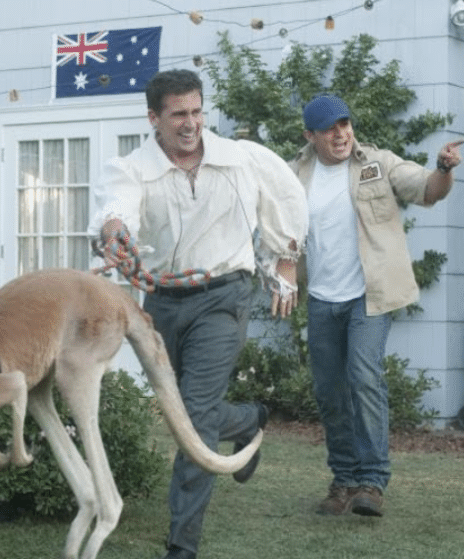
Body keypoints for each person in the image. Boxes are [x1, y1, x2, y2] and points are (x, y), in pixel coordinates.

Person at [90, 69, 308, 559]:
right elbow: (116, 207)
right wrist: (114, 230)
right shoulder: (133, 168)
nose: (191, 124)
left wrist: (285, 263)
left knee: (192, 414)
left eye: (196, 111)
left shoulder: (240, 159)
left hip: (225, 295)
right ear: (154, 118)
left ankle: (181, 545)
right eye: (178, 114)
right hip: (162, 302)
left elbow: (285, 200)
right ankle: (248, 421)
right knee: (183, 412)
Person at [290, 95, 463, 517]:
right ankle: (343, 480)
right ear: (310, 135)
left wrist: (442, 168)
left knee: (363, 377)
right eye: (330, 128)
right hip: (321, 299)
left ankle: (372, 481)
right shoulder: (294, 175)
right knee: (329, 391)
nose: (341, 134)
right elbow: (279, 230)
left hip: (369, 295)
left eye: (345, 124)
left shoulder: (378, 163)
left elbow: (427, 190)